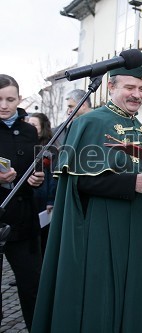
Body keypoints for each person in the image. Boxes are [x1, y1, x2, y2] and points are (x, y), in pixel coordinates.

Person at [31, 53, 142, 333]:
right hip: (105, 232)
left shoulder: (141, 129)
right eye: (130, 88)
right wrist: (132, 184)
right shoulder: (90, 123)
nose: (137, 95)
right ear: (110, 87)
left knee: (140, 300)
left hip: (141, 233)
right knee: (104, 302)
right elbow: (80, 184)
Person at [0, 74, 45, 331]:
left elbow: (34, 166)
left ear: (19, 99)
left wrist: (36, 178)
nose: (4, 105)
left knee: (31, 284)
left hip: (23, 218)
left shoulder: (29, 130)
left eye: (10, 99)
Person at [27, 113, 58, 258]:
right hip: (28, 197)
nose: (30, 127)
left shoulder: (50, 149)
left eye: (34, 125)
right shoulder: (26, 144)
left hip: (43, 198)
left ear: (42, 128)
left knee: (43, 238)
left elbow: (53, 176)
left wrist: (51, 200)